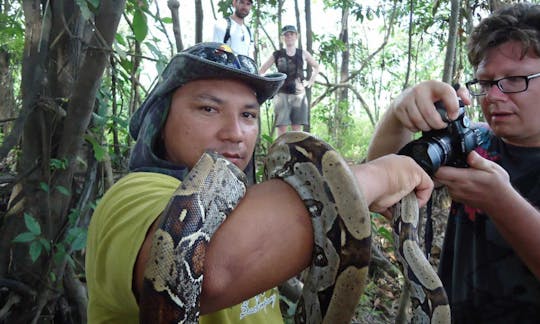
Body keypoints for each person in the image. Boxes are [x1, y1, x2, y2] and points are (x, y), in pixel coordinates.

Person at [85, 42, 433, 323]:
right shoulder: (131, 197)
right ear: (159, 121)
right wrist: (377, 176)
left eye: (249, 115)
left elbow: (353, 210)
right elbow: (210, 274)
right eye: (208, 109)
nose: (235, 133)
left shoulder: (250, 202)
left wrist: (396, 116)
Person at [367, 3, 540, 323]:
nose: (494, 96)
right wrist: (398, 114)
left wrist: (501, 201)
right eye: (486, 83)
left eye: (515, 79)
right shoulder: (473, 143)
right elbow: (379, 187)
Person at [259, 25, 320, 136]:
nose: (289, 37)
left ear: (296, 36)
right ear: (282, 37)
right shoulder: (277, 54)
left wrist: (310, 81)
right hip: (281, 94)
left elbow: (316, 66)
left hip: (299, 94)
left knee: (297, 129)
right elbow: (262, 70)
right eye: (286, 35)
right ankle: (280, 153)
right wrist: (267, 86)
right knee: (282, 128)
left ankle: (295, 153)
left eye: (291, 34)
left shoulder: (302, 53)